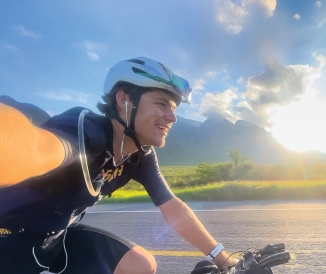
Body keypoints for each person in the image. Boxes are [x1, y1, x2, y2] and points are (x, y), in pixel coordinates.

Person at [0, 57, 238, 274]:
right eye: (162, 104)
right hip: (8, 242)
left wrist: (222, 258)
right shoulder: (84, 133)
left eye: (173, 109)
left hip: (56, 239)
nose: (172, 117)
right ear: (124, 99)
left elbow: (172, 206)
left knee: (141, 265)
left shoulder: (140, 155)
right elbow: (39, 148)